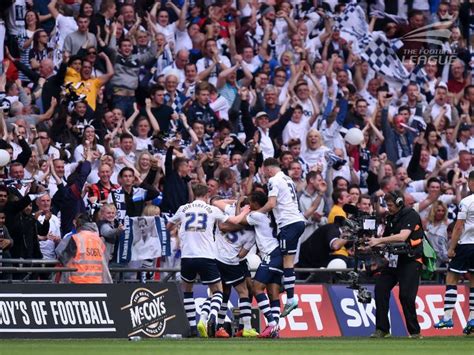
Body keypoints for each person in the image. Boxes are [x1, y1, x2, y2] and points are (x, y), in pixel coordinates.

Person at [166, 184, 248, 338]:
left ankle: (191, 328)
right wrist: (244, 210)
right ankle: (212, 315)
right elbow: (236, 220)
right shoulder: (212, 210)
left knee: (188, 291)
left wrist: (180, 227)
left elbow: (168, 226)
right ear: (207, 195)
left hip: (187, 256)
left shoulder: (183, 208)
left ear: (193, 193)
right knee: (218, 291)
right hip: (206, 256)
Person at [368, 191, 424, 338]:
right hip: (394, 260)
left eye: (391, 205)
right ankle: (382, 329)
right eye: (387, 205)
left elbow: (402, 236)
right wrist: (369, 245)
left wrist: (379, 241)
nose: (388, 208)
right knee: (380, 288)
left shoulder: (410, 214)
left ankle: (415, 332)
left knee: (406, 296)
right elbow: (387, 239)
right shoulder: (391, 217)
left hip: (411, 260)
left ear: (399, 202)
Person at [258, 158, 305, 317]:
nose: (265, 176)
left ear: (268, 169)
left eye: (264, 172)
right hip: (298, 221)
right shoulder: (288, 178)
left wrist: (257, 213)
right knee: (289, 261)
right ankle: (289, 294)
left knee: (287, 262)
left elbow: (271, 204)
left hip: (288, 223)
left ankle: (291, 297)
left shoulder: (273, 180)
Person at [434, 171, 474, 335]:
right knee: (473, 281)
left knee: (451, 277)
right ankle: (472, 318)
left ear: (472, 182)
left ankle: (447, 317)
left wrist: (451, 248)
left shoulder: (466, 202)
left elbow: (458, 226)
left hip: (465, 245)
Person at [55, 213, 112, 284]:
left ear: (76, 224)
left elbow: (64, 259)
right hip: (97, 281)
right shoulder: (99, 240)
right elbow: (105, 261)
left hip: (77, 281)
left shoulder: (76, 238)